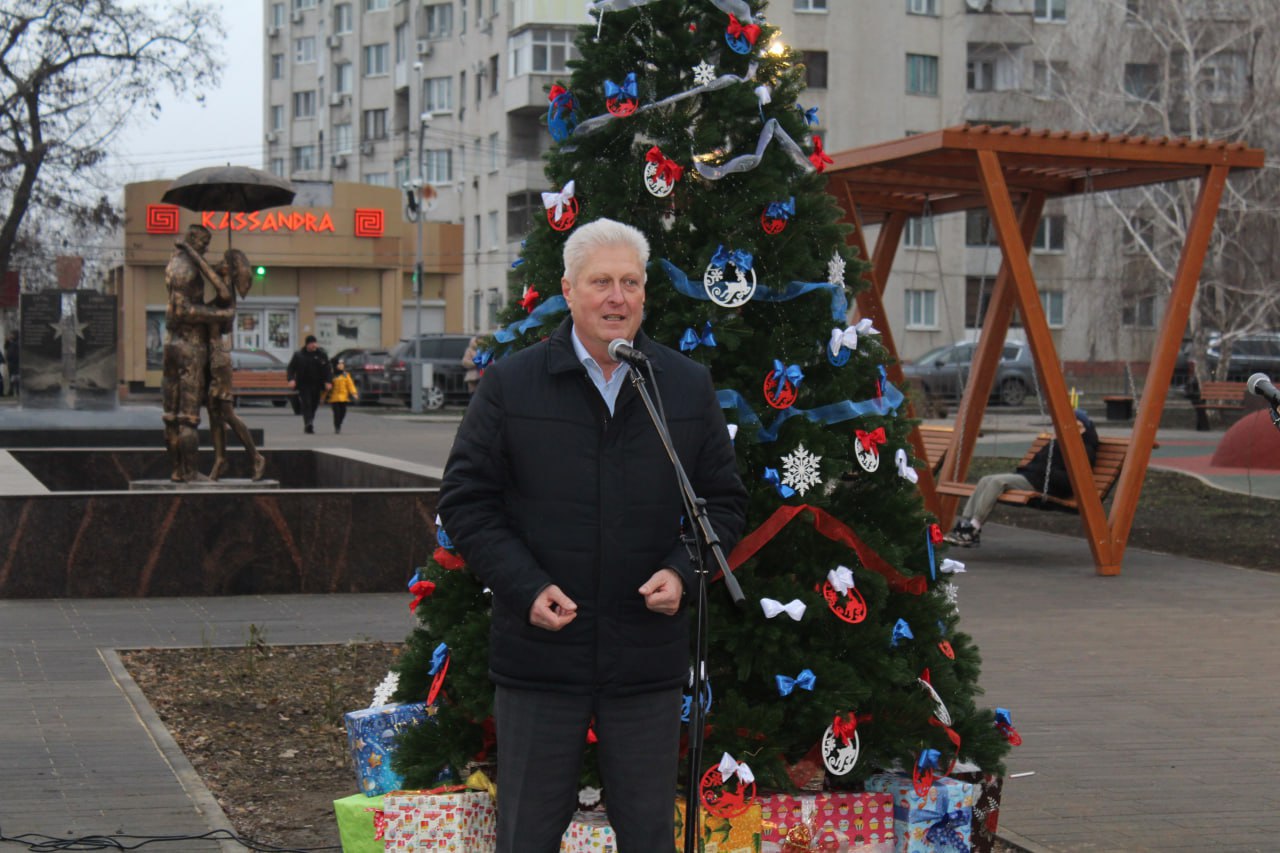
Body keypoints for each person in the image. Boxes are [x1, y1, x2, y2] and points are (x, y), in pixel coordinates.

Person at [437, 218, 747, 853]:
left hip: (644, 655)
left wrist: (682, 573)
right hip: (542, 654)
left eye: (630, 283)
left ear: (645, 295)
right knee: (526, 833)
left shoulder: (683, 386)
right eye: (600, 282)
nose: (617, 297)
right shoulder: (513, 384)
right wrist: (525, 587)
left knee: (649, 833)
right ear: (568, 291)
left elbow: (720, 502)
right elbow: (467, 502)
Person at [944, 409, 1100, 547]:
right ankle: (965, 523)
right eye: (1070, 426)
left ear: (1085, 429)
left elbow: (1072, 480)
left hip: (1046, 485)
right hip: (1032, 477)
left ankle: (974, 527)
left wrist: (1046, 472)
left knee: (998, 482)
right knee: (986, 479)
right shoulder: (1058, 442)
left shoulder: (1084, 450)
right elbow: (1038, 462)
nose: (1073, 430)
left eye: (1078, 427)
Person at [162, 224, 234, 482]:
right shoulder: (185, 267)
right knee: (187, 417)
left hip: (172, 345)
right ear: (192, 239)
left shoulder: (178, 262)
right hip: (189, 346)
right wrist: (221, 313)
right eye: (203, 243)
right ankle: (189, 472)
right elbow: (182, 311)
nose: (206, 247)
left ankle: (178, 471)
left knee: (171, 416)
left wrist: (213, 270)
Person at [195, 248, 266, 481]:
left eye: (223, 262)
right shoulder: (222, 297)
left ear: (231, 270)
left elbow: (209, 274)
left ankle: (255, 456)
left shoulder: (226, 294)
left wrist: (191, 253)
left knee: (226, 412)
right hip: (210, 357)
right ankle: (219, 461)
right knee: (214, 413)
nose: (218, 265)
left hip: (219, 358)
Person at [287, 335, 332, 434]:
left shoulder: (321, 354)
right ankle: (308, 423)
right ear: (307, 344)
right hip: (304, 384)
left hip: (317, 384)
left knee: (314, 404)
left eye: (315, 343)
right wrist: (291, 379)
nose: (314, 345)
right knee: (306, 403)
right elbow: (291, 368)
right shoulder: (299, 355)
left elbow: (327, 369)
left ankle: (310, 421)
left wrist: (328, 381)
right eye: (312, 343)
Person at [326, 357, 358, 434]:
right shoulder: (331, 376)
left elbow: (350, 385)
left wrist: (354, 393)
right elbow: (327, 387)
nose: (341, 366)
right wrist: (322, 397)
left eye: (342, 364)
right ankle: (337, 426)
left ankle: (339, 423)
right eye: (339, 364)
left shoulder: (346, 375)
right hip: (334, 398)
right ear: (335, 365)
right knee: (336, 413)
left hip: (344, 398)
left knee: (343, 412)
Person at [3, 331, 15, 396]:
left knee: (14, 377)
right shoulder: (9, 343)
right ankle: (11, 391)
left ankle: (14, 391)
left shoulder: (15, 343)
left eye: (11, 335)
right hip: (11, 362)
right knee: (11, 377)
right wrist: (7, 340)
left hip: (14, 362)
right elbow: (5, 347)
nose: (10, 336)